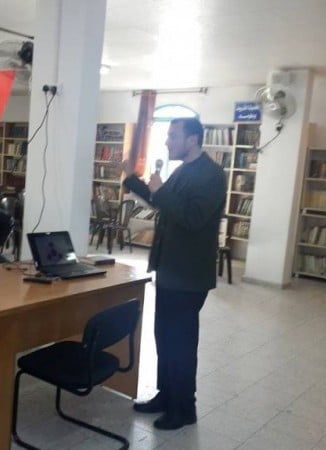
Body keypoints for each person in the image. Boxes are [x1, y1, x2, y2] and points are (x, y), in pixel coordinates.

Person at [118, 117, 226, 430]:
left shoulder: (211, 175)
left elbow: (192, 217)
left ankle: (184, 408)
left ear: (192, 140)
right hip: (169, 270)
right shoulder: (183, 170)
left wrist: (162, 191)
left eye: (173, 136)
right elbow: (162, 201)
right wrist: (132, 179)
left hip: (188, 275)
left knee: (181, 344)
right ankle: (165, 396)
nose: (167, 141)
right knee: (164, 337)